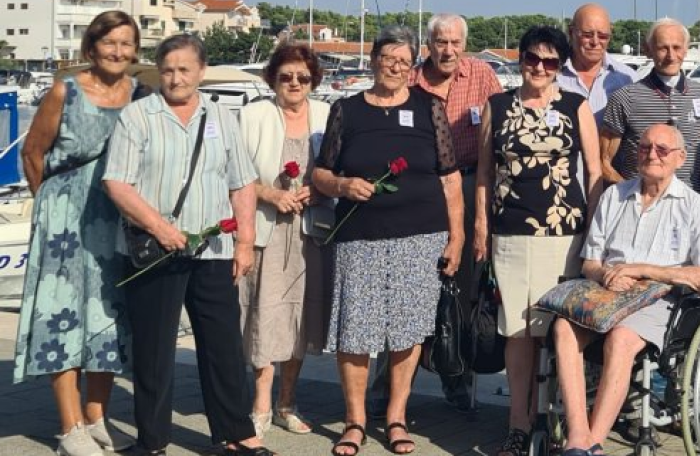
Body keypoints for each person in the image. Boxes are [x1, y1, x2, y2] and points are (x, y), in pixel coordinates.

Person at [102, 33, 271, 456]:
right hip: (156, 251)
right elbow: (116, 182)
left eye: (184, 69)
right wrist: (160, 227)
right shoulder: (138, 116)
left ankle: (238, 433)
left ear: (201, 71)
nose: (175, 78)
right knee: (154, 349)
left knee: (223, 347)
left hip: (213, 250)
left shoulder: (220, 117)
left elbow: (242, 183)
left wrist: (245, 241)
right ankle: (153, 439)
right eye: (168, 69)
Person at [312, 25, 465, 456]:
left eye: (403, 60)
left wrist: (456, 237)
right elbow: (320, 173)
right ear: (374, 60)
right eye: (387, 58)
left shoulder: (429, 108)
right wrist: (342, 186)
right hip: (360, 236)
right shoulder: (346, 110)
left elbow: (450, 178)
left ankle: (397, 416)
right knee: (354, 330)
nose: (395, 67)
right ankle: (355, 421)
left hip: (421, 237)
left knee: (407, 329)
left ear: (413, 65)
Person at [553, 123, 700, 456]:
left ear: (680, 158)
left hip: (659, 299)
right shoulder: (613, 196)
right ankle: (577, 436)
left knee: (621, 338)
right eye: (645, 148)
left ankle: (594, 443)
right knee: (563, 327)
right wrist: (605, 275)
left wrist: (645, 270)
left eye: (662, 150)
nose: (652, 155)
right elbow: (589, 260)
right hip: (607, 292)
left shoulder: (694, 205)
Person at [15, 10, 140, 456]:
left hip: (116, 219)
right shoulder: (64, 92)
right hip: (65, 220)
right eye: (110, 43)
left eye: (126, 44)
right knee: (62, 316)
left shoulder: (139, 95)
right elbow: (33, 153)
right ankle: (70, 429)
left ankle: (96, 419)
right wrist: (49, 208)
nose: (118, 52)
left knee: (108, 316)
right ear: (91, 47)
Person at [475, 25, 603, 456]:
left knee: (560, 331)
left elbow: (595, 172)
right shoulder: (497, 105)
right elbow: (485, 174)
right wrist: (480, 225)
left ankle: (563, 419)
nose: (540, 68)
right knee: (518, 332)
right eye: (533, 58)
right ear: (520, 58)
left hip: (564, 233)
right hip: (510, 231)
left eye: (550, 62)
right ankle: (518, 423)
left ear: (559, 67)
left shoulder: (575, 106)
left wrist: (593, 231)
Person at [238, 43, 332, 438]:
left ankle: (287, 402)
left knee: (301, 318)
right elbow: (237, 172)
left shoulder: (326, 115)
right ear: (272, 78)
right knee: (265, 314)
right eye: (286, 76)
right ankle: (260, 403)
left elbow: (335, 168)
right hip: (266, 229)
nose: (295, 83)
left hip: (311, 232)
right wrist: (271, 194)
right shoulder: (255, 114)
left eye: (303, 77)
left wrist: (317, 188)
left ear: (314, 81)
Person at [410, 13, 502, 410]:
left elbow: (502, 128)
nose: (447, 50)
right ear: (428, 43)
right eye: (440, 42)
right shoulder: (411, 79)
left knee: (463, 287)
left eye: (454, 43)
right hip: (420, 188)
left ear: (464, 44)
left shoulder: (482, 75)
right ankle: (386, 387)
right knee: (410, 285)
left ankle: (457, 379)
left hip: (467, 183)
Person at [600, 18, 700, 227]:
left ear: (686, 49)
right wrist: (630, 192)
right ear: (649, 50)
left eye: (677, 47)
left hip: (690, 208)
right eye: (663, 48)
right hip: (639, 211)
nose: (671, 56)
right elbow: (603, 161)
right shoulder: (625, 97)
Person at [557, 3, 638, 118]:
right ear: (571, 33)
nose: (595, 42)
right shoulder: (552, 76)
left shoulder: (628, 79)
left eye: (602, 36)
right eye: (587, 35)